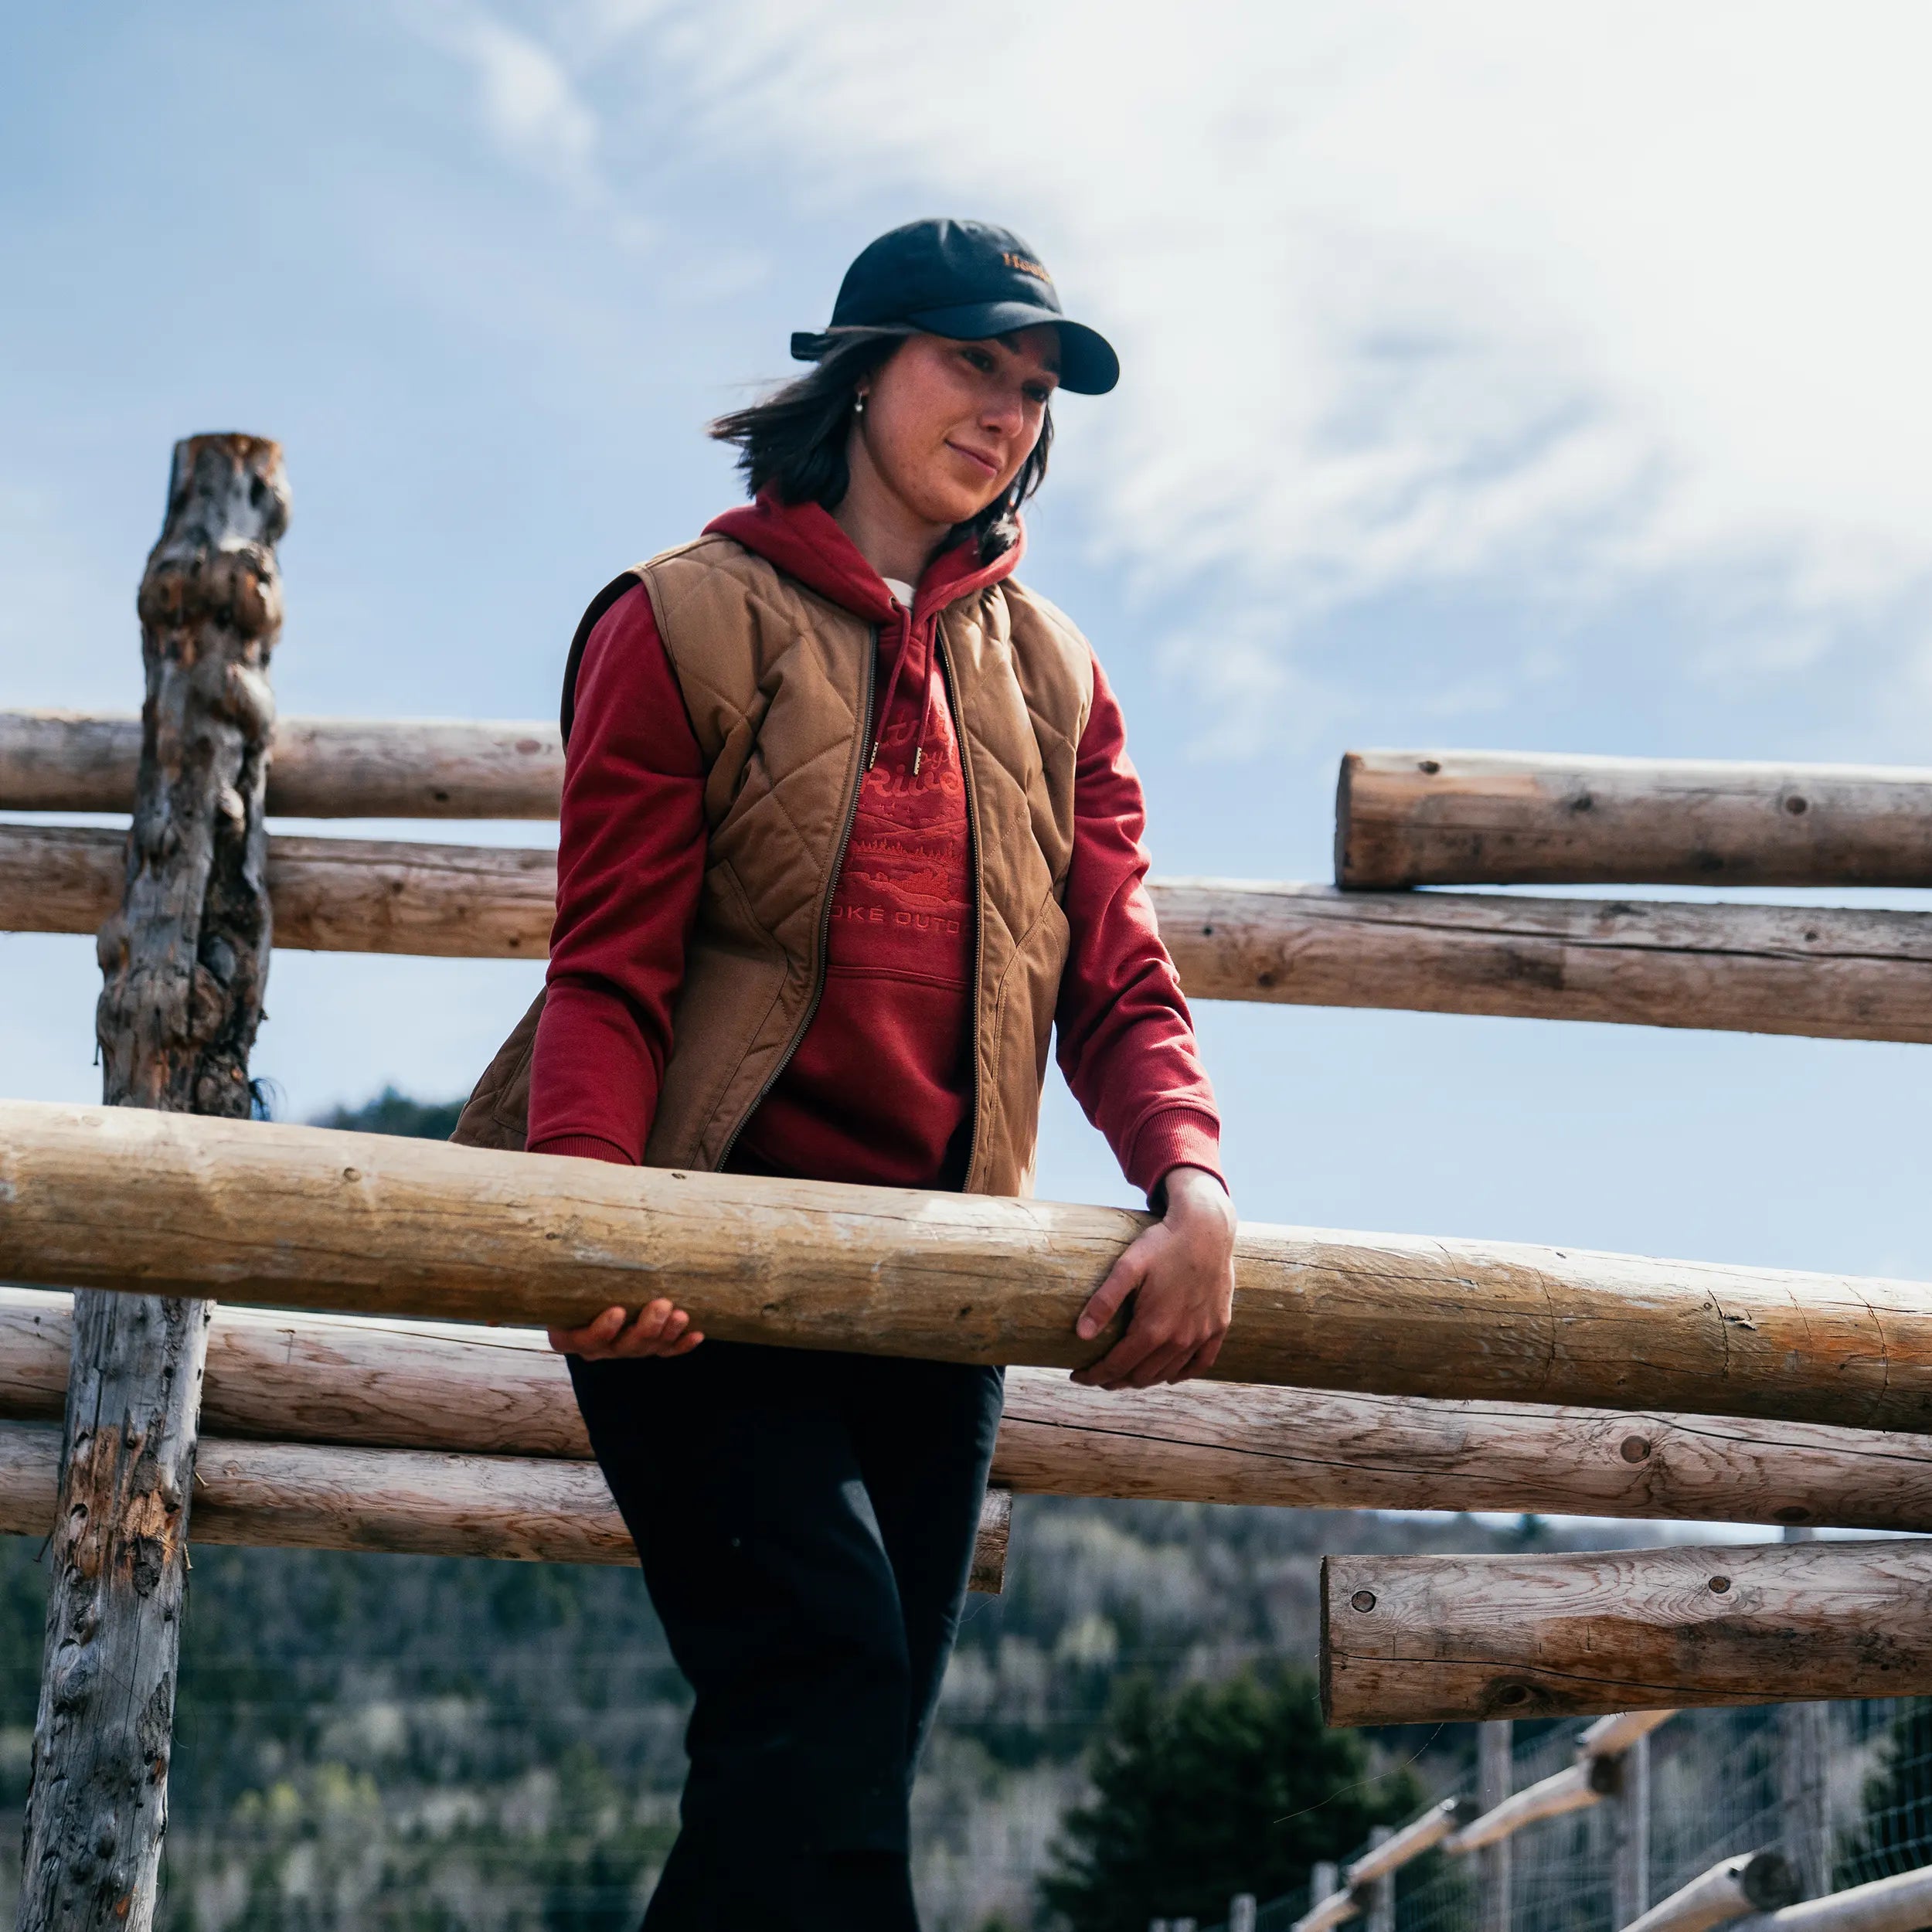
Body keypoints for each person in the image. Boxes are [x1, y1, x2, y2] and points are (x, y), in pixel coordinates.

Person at [454, 216, 1237, 1930]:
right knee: (822, 1673)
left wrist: (1188, 1176)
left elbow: (1110, 966)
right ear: (863, 363)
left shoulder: (1057, 675)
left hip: (932, 1282)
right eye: (974, 363)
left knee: (833, 1738)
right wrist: (588, 1221)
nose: (1008, 410)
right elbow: (612, 961)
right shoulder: (678, 616)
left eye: (1034, 388)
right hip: (697, 1258)